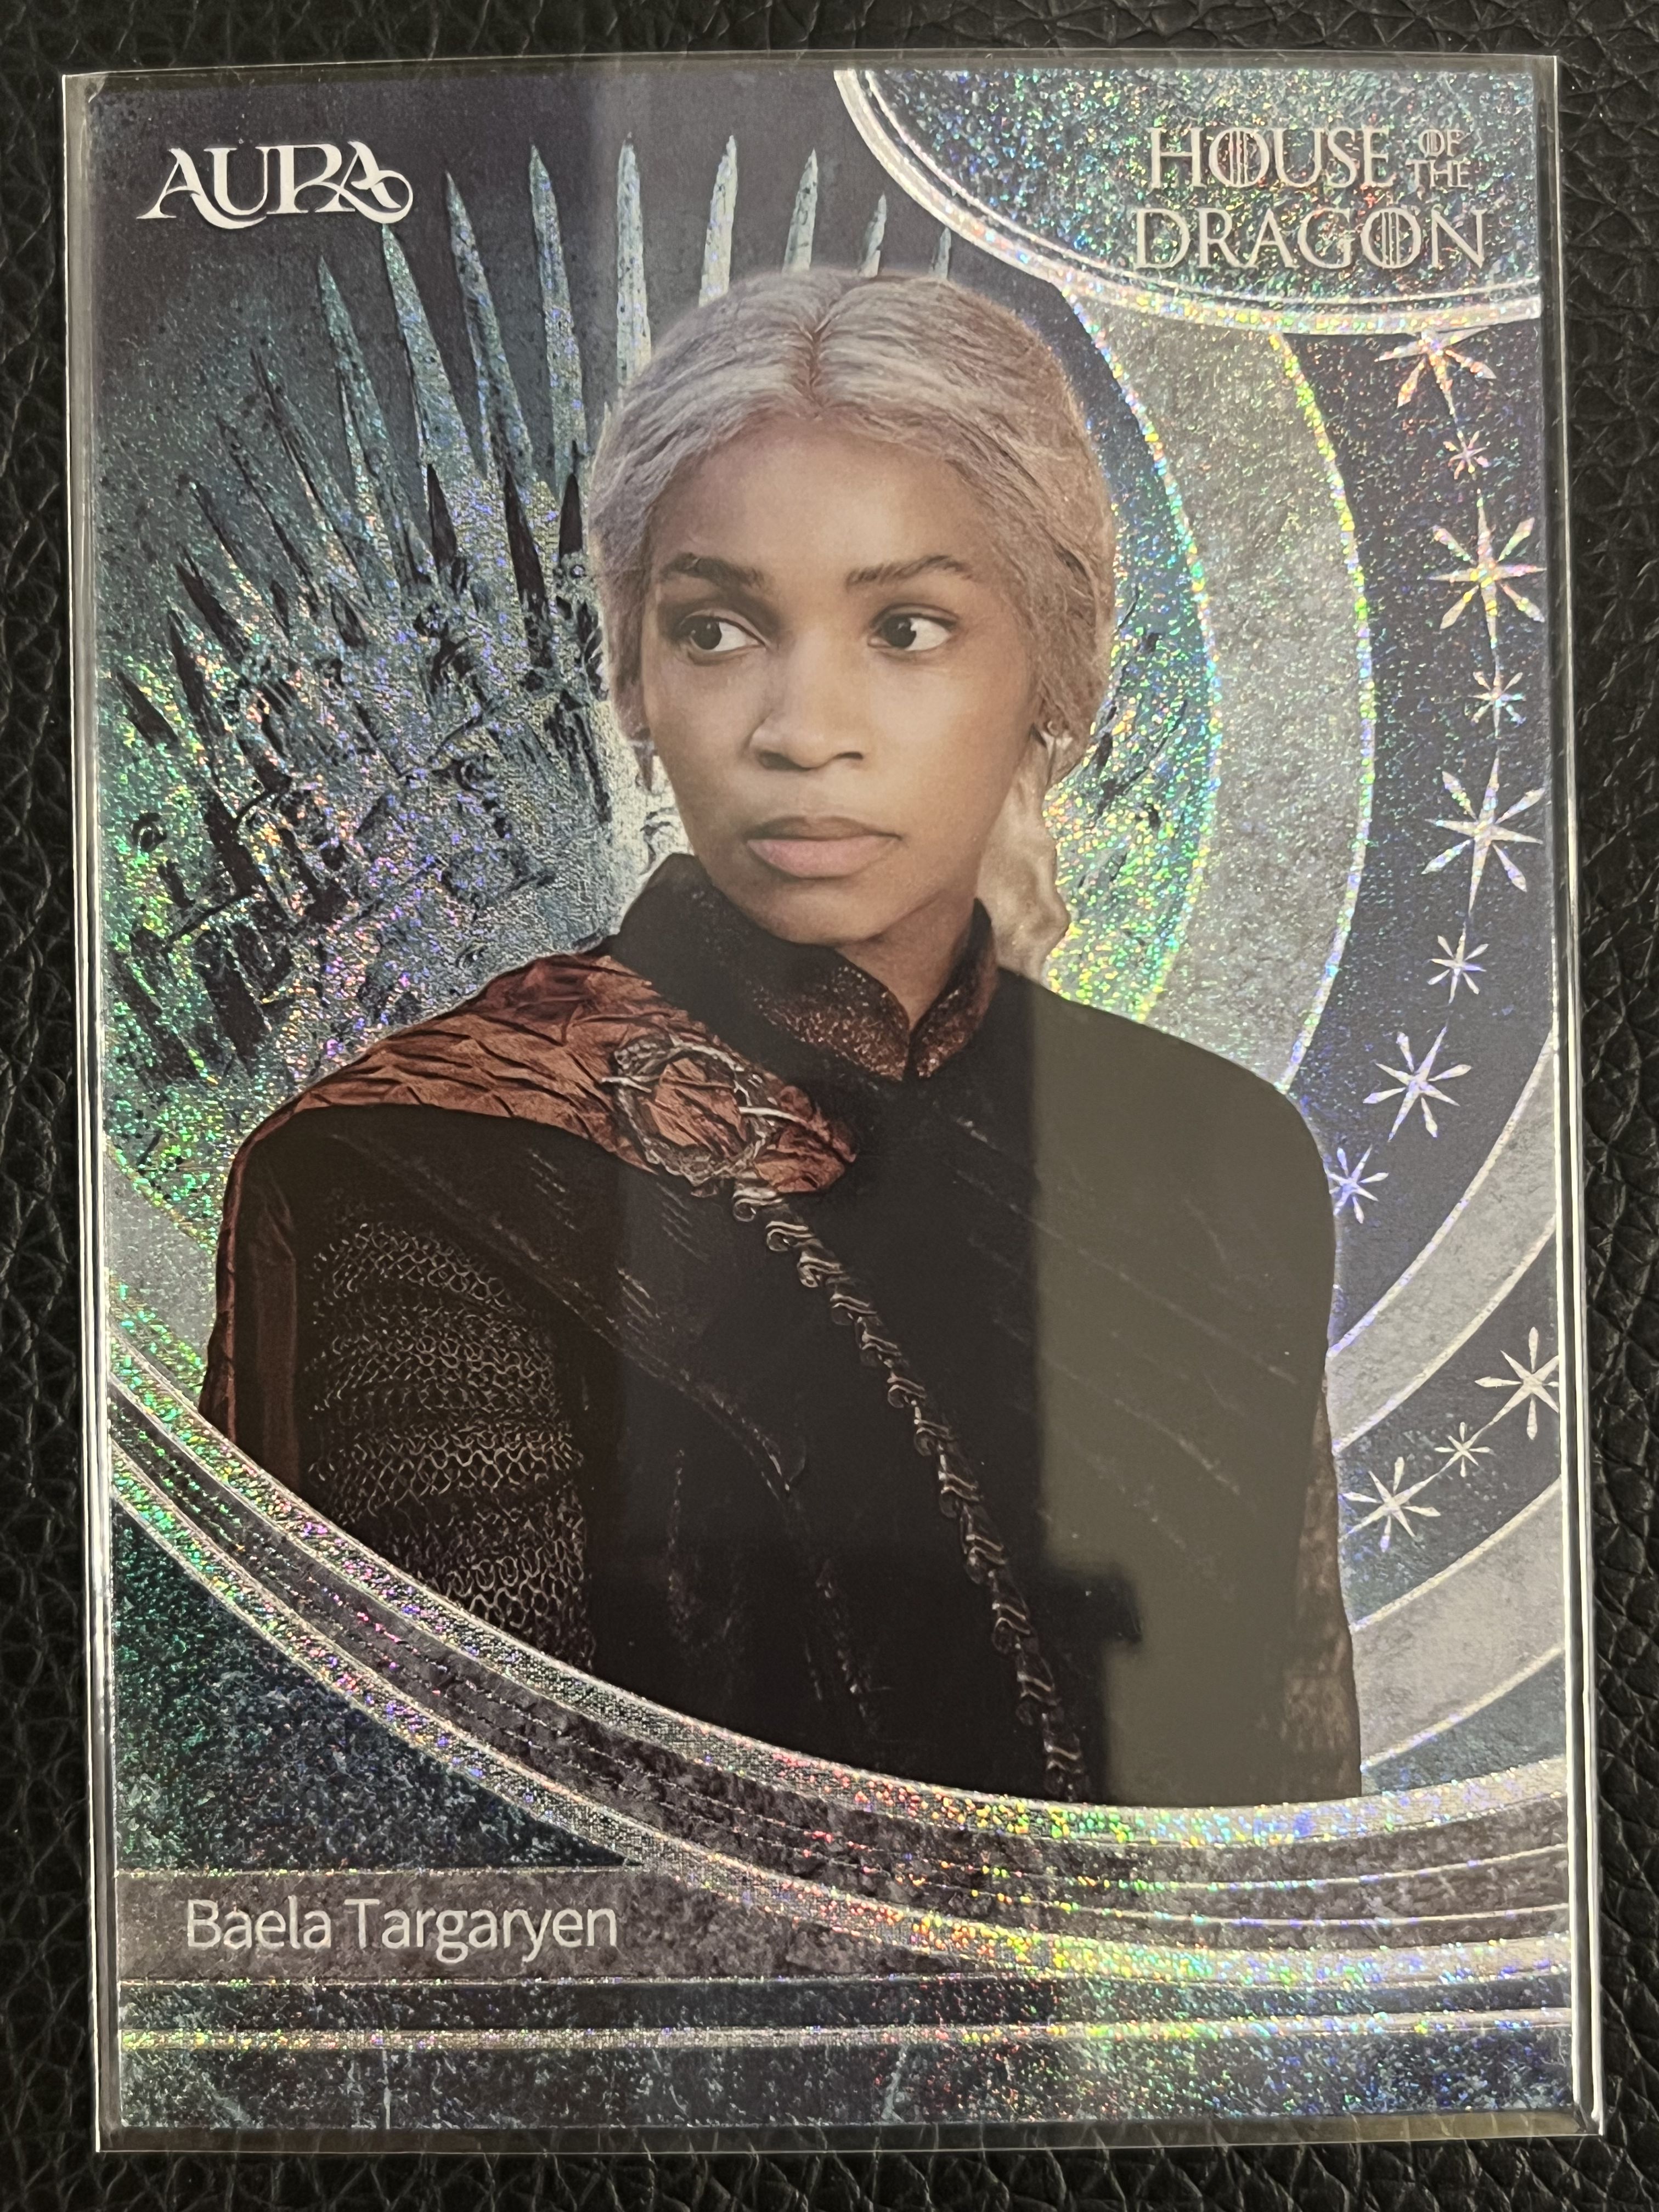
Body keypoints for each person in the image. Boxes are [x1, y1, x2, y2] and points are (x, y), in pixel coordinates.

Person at [202, 267, 1359, 1808]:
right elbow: (476, 1850)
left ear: (1056, 670)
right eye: (719, 629)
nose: (803, 729)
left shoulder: (1223, 1151)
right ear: (634, 680)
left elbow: (1298, 1839)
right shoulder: (425, 1171)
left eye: (908, 627)